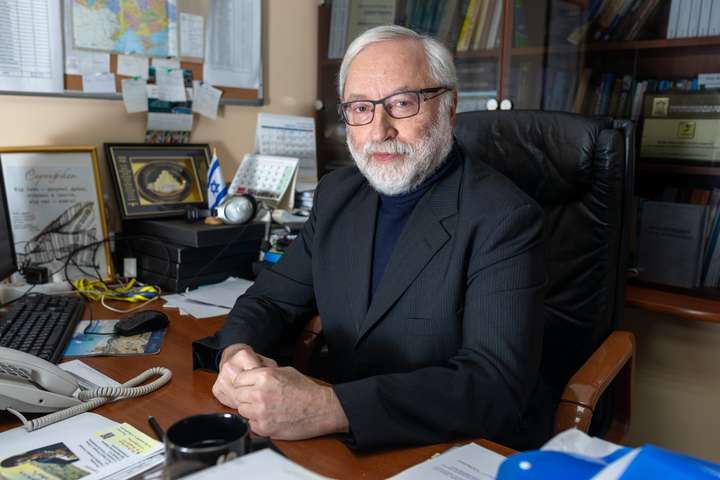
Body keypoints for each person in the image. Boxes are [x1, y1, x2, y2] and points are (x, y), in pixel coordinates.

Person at [193, 25, 553, 450]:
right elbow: (270, 299)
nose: (379, 130)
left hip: (452, 447)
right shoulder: (338, 195)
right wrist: (236, 353)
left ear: (449, 108)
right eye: (361, 107)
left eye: (402, 103)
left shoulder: (504, 217)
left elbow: (495, 385)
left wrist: (329, 406)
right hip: (340, 445)